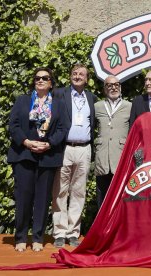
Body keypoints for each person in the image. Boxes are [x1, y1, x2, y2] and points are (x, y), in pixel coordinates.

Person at [7, 67, 68, 252]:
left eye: (45, 78)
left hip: (48, 157)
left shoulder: (58, 104)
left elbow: (63, 129)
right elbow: (13, 125)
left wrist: (49, 144)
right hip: (24, 155)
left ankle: (38, 237)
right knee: (24, 198)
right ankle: (20, 237)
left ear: (51, 83)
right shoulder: (23, 100)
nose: (40, 80)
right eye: (37, 78)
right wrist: (26, 142)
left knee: (42, 200)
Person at [52, 64, 97, 248]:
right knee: (60, 191)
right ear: (70, 76)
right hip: (65, 148)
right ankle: (60, 232)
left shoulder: (91, 98)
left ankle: (73, 232)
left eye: (81, 74)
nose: (77, 76)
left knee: (79, 192)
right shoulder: (59, 94)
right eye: (74, 73)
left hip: (84, 149)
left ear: (87, 79)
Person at [94, 75, 131, 208]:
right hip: (102, 157)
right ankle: (101, 227)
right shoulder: (97, 107)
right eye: (109, 85)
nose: (113, 87)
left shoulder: (129, 106)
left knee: (122, 197)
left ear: (120, 87)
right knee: (102, 196)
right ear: (105, 89)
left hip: (120, 157)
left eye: (116, 84)